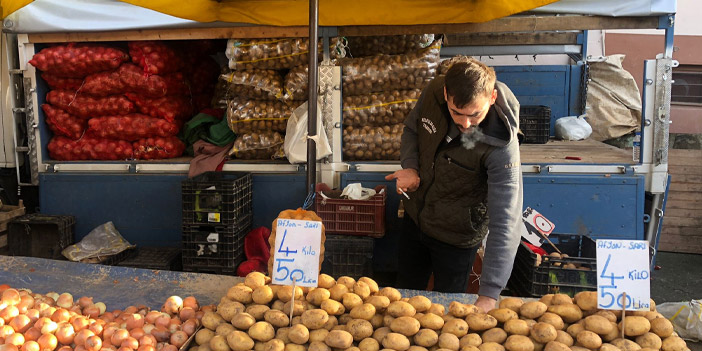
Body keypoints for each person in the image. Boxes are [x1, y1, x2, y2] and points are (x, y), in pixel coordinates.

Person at [385, 58, 523, 312]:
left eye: (475, 114)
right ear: (446, 94)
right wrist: (411, 166)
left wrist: (489, 294)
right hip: (416, 220)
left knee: (449, 310)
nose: (465, 123)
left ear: (492, 98)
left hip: (457, 238)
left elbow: (506, 220)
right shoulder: (434, 92)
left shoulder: (501, 146)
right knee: (403, 299)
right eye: (456, 113)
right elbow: (412, 130)